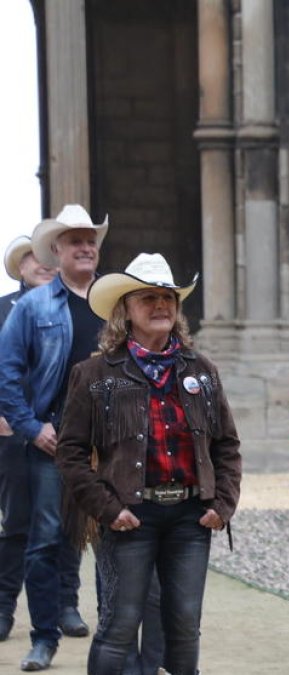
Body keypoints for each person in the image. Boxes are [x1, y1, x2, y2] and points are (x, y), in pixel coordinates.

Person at [55, 252, 241, 674]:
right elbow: (70, 453)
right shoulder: (95, 373)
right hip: (129, 518)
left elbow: (227, 444)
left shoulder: (202, 370)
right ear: (126, 310)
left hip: (191, 519)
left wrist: (222, 504)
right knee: (118, 626)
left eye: (168, 299)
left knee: (184, 626)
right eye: (148, 298)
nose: (161, 306)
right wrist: (108, 509)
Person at [0, 205, 110, 670]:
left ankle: (114, 634)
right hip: (55, 441)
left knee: (115, 538)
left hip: (112, 445)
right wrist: (29, 426)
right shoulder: (32, 307)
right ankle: (44, 638)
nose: (85, 247)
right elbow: (6, 373)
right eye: (75, 241)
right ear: (57, 250)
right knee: (44, 540)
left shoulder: (118, 302)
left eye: (90, 239)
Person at [0, 235, 57, 643]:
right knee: (16, 524)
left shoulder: (74, 308)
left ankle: (66, 607)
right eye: (34, 258)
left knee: (65, 526)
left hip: (59, 435)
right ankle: (3, 609)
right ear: (20, 265)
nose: (43, 263)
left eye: (49, 257)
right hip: (12, 433)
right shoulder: (3, 309)